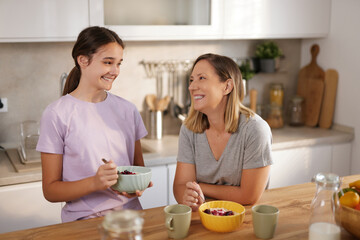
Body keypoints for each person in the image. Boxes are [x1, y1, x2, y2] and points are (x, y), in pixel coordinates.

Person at [36, 26, 151, 222]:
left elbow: (138, 169)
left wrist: (135, 187)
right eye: (108, 62)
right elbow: (51, 191)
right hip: (84, 222)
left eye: (119, 63)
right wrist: (95, 182)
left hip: (131, 218)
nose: (115, 71)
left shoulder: (128, 110)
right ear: (83, 60)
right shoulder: (57, 114)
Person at [173, 53, 273, 211]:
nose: (191, 87)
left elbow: (248, 196)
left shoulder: (255, 130)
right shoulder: (189, 128)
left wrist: (199, 188)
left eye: (202, 78)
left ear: (227, 86)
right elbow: (180, 186)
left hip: (244, 219)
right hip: (204, 217)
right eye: (191, 80)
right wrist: (188, 198)